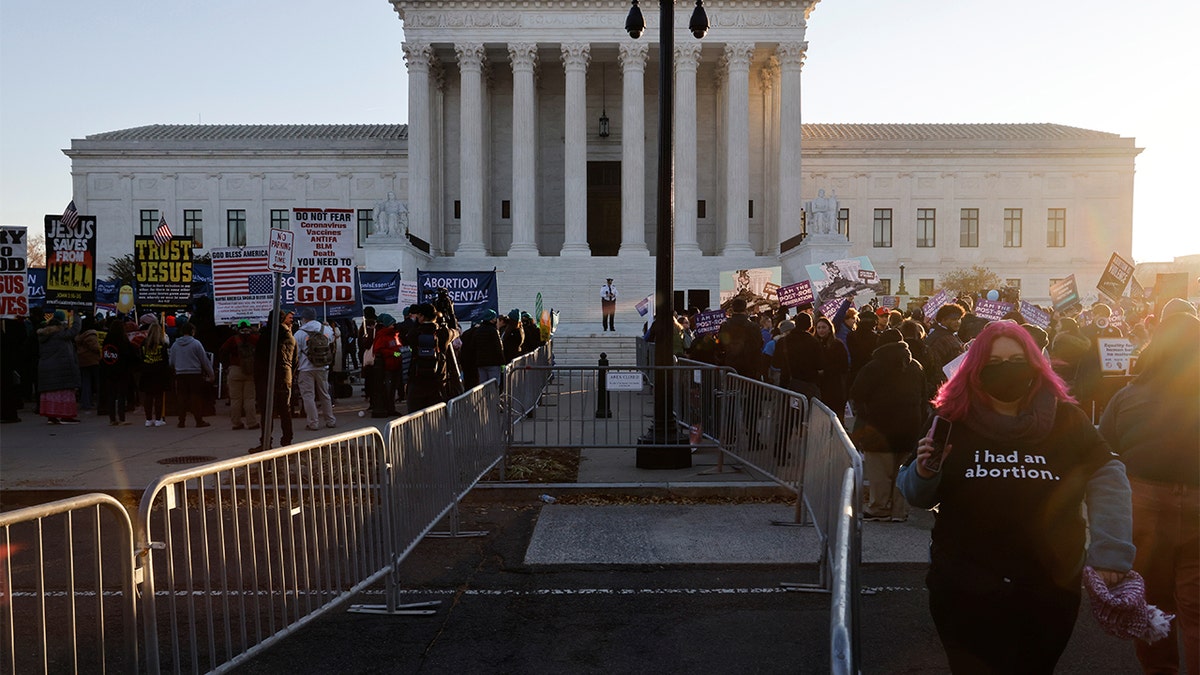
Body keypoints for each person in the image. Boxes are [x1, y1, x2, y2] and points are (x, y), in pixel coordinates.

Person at [897, 321, 1134, 673]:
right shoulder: (950, 419)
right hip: (964, 584)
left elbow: (1108, 475)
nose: (1006, 369)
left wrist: (1111, 551)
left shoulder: (1066, 418)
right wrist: (925, 472)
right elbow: (914, 493)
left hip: (1049, 585)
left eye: (1016, 359)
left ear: (1036, 364)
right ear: (975, 369)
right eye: (994, 362)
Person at [1099, 312, 1199, 674]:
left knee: (1152, 602)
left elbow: (1104, 453)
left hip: (1143, 501)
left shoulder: (1129, 396)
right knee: (1197, 609)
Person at [850, 329, 926, 522]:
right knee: (903, 469)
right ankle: (900, 510)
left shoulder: (873, 367)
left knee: (880, 472)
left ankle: (880, 507)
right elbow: (924, 396)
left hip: (879, 426)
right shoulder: (915, 366)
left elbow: (857, 393)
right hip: (910, 425)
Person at [253, 310, 296, 451]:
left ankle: (266, 441)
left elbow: (258, 358)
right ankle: (287, 440)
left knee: (267, 411)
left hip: (267, 376)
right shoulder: (290, 337)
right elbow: (295, 360)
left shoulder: (266, 336)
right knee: (285, 410)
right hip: (285, 375)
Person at [36, 310, 82, 424]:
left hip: (46, 369)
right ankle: (66, 415)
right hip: (61, 369)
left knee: (50, 393)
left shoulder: (44, 335)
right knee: (64, 393)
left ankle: (51, 417)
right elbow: (75, 330)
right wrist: (76, 316)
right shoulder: (60, 334)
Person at [295, 307, 337, 431]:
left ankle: (313, 423)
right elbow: (333, 338)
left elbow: (296, 353)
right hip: (323, 366)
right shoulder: (325, 329)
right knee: (325, 394)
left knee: (308, 396)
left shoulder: (299, 333)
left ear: (304, 318)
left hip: (305, 368)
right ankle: (330, 420)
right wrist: (328, 327)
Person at [169, 322, 214, 428]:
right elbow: (204, 360)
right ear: (192, 331)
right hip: (194, 373)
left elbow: (171, 361)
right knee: (196, 397)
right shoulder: (196, 343)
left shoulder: (175, 345)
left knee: (181, 397)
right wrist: (211, 374)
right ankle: (198, 420)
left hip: (180, 373)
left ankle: (181, 421)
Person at [407, 303, 450, 412]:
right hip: (437, 379)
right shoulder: (442, 333)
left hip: (417, 379)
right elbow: (454, 330)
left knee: (415, 417)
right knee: (436, 417)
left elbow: (407, 342)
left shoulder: (414, 333)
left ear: (421, 316)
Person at [217, 320, 259, 430]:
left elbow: (222, 352)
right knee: (249, 398)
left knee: (235, 399)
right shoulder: (255, 339)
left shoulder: (233, 339)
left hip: (235, 370)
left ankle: (236, 423)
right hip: (251, 371)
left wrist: (227, 366)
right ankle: (252, 422)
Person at [99, 318, 141, 426]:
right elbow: (129, 355)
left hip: (109, 370)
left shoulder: (107, 339)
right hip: (122, 371)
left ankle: (112, 418)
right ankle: (121, 418)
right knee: (122, 395)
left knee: (111, 395)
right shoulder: (123, 340)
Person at [813, 316, 849, 425]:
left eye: (824, 327)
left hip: (834, 386)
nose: (821, 330)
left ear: (829, 328)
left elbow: (843, 365)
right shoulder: (814, 344)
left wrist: (826, 371)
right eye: (819, 328)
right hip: (818, 385)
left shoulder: (837, 344)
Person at [923, 303, 966, 395]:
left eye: (959, 319)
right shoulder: (943, 339)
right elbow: (937, 368)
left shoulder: (943, 335)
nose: (958, 322)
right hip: (944, 389)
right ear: (943, 320)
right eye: (954, 319)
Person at [716, 297, 764, 379]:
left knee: (731, 389)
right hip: (749, 366)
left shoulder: (725, 326)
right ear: (745, 309)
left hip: (730, 365)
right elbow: (759, 345)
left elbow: (720, 344)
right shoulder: (753, 326)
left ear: (732, 308)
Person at [138, 322, 171, 427]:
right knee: (158, 396)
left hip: (147, 372)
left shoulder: (144, 344)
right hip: (159, 373)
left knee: (148, 396)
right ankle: (158, 419)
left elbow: (141, 358)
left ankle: (148, 419)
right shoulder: (163, 345)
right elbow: (166, 360)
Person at [370, 313, 403, 417]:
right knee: (388, 389)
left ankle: (391, 408)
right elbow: (379, 350)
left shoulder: (395, 335)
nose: (394, 325)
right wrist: (396, 354)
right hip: (388, 366)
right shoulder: (384, 336)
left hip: (395, 365)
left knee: (392, 389)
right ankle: (387, 408)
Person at [74, 315, 101, 411]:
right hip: (93, 361)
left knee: (86, 382)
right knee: (98, 382)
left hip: (82, 360)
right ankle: (100, 402)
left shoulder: (79, 335)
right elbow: (95, 347)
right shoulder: (91, 335)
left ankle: (86, 402)